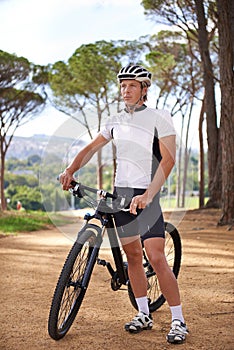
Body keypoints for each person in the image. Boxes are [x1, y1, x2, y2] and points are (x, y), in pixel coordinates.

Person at [59, 64, 188, 344]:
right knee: (132, 257)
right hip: (121, 194)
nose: (125, 90)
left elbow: (168, 161)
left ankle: (178, 320)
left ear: (144, 89)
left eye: (131, 85)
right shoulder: (115, 120)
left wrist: (149, 195)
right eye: (122, 86)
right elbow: (91, 148)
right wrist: (71, 169)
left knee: (155, 256)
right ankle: (144, 314)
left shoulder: (159, 117)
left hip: (146, 193)